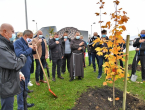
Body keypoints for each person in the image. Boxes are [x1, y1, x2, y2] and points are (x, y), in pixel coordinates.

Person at [0, 23, 26, 110]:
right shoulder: (1, 46)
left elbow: (8, 61)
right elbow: (15, 63)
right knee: (7, 106)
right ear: (5, 32)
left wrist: (18, 72)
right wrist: (23, 56)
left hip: (8, 80)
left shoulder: (5, 44)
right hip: (5, 84)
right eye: (12, 31)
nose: (13, 34)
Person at [14, 30, 36, 109]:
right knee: (21, 89)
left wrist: (33, 50)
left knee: (25, 88)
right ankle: (21, 107)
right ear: (26, 36)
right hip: (22, 69)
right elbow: (20, 54)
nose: (31, 39)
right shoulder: (17, 42)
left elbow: (28, 53)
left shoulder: (27, 42)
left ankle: (25, 104)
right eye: (30, 37)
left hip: (27, 67)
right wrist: (30, 49)